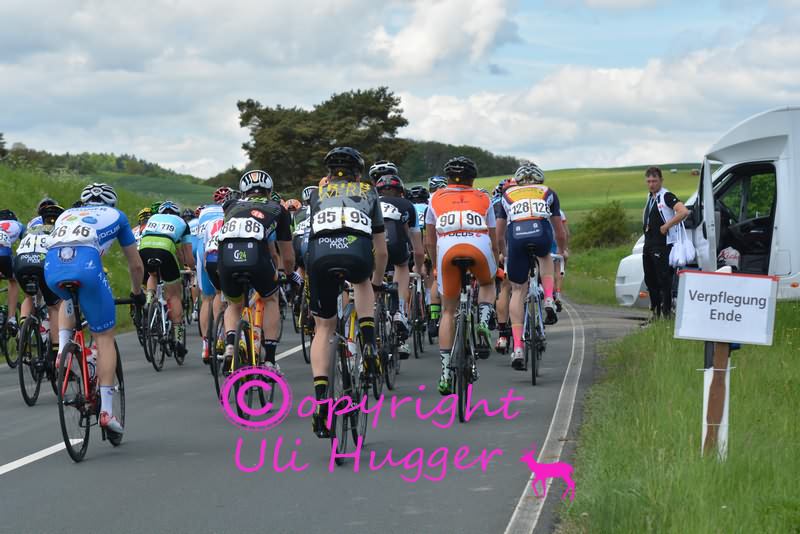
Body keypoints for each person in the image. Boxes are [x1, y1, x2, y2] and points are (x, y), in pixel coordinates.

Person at [45, 183, 145, 434]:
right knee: (104, 337)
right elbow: (135, 265)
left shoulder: (67, 214)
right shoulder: (117, 216)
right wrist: (137, 293)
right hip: (86, 267)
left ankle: (63, 352)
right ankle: (106, 412)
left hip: (52, 267)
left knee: (67, 298)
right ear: (110, 203)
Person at [306, 147, 388, 436]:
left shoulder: (316, 194)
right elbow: (381, 250)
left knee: (324, 329)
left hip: (320, 256)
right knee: (362, 281)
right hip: (356, 253)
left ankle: (321, 402)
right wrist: (377, 281)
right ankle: (369, 343)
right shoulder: (369, 192)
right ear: (358, 173)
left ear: (328, 174)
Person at [426, 156, 498, 395]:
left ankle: (445, 373)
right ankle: (484, 321)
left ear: (448, 179)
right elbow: (494, 239)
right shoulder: (484, 198)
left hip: (447, 249)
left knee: (448, 311)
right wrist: (496, 264)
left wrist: (435, 267)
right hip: (479, 245)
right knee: (487, 283)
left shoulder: (434, 197)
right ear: (472, 179)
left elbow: (430, 240)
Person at [218, 171, 294, 369]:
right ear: (269, 191)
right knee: (271, 299)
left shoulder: (231, 206)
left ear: (243, 192)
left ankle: (230, 345)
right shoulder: (278, 208)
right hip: (256, 255)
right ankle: (270, 359)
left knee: (233, 305)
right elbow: (287, 255)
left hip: (226, 256)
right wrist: (289, 274)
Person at [496, 164, 567, 370]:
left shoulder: (507, 195)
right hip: (541, 233)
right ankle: (548, 298)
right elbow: (559, 231)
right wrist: (561, 250)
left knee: (518, 290)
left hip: (516, 238)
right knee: (545, 256)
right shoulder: (548, 192)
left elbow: (499, 235)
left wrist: (504, 253)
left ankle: (517, 348)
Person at [375, 174, 424, 358]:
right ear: (401, 191)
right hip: (396, 246)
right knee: (401, 266)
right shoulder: (408, 205)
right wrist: (418, 268)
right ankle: (400, 310)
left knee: (371, 273)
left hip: (374, 246)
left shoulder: (370, 202)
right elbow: (418, 249)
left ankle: (372, 310)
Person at [138, 201, 194, 357]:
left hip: (144, 248)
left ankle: (149, 301)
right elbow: (187, 256)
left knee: (153, 274)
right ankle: (178, 339)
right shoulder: (182, 223)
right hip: (165, 249)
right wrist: (190, 268)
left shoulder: (153, 218)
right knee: (174, 295)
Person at [15, 201, 64, 363]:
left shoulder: (32, 224)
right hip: (42, 262)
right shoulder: (60, 227)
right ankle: (56, 350)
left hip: (21, 261)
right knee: (53, 306)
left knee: (29, 296)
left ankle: (23, 327)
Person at [642, 166, 688, 319]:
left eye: (654, 181)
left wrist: (667, 225)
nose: (651, 184)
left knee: (663, 280)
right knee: (650, 280)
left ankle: (666, 314)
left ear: (661, 180)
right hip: (649, 244)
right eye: (649, 181)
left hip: (662, 245)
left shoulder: (666, 196)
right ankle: (655, 314)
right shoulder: (650, 197)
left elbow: (683, 211)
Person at [195, 187, 229, 362]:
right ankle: (226, 336)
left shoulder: (205, 212)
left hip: (205, 253)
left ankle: (206, 346)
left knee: (207, 298)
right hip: (225, 252)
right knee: (230, 296)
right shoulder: (235, 209)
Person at [425, 175, 448, 339]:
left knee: (436, 278)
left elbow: (427, 236)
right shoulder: (445, 199)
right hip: (451, 242)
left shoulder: (429, 201)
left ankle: (434, 318)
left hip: (433, 245)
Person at [0, 209, 25, 336]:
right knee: (13, 281)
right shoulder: (19, 225)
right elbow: (26, 246)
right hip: (4, 255)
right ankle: (11, 319)